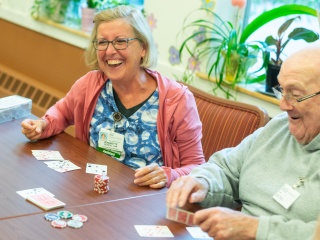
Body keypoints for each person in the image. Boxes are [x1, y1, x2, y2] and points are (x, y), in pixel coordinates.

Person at [21, 5, 205, 189]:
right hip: (92, 189)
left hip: (144, 201)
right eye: (102, 42)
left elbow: (197, 167)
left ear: (143, 48)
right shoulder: (89, 84)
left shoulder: (177, 100)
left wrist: (169, 175)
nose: (109, 51)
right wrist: (43, 125)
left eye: (120, 41)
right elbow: (62, 112)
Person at [166, 45, 320, 239]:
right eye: (282, 90)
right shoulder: (278, 129)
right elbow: (226, 168)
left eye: (296, 95)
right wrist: (202, 183)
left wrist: (254, 228)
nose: (282, 105)